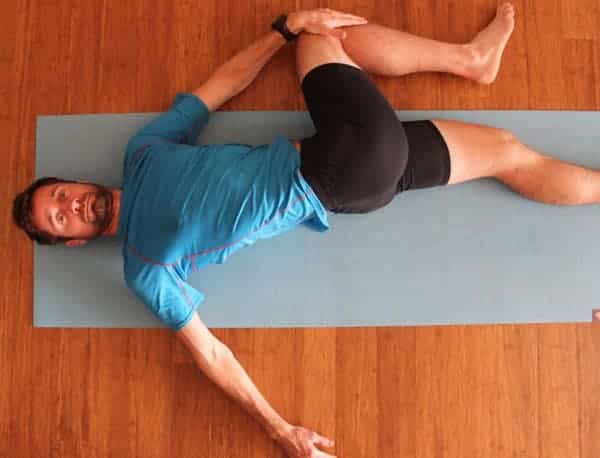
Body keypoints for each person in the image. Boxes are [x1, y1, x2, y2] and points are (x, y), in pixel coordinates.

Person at [11, 4, 600, 457]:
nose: (69, 207)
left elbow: (220, 87)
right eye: (57, 220)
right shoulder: (145, 267)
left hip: (356, 182)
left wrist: (280, 28)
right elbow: (210, 353)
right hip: (337, 169)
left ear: (74, 182)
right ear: (74, 242)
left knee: (506, 152)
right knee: (326, 38)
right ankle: (468, 61)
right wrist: (278, 428)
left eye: (58, 195)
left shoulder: (144, 152)